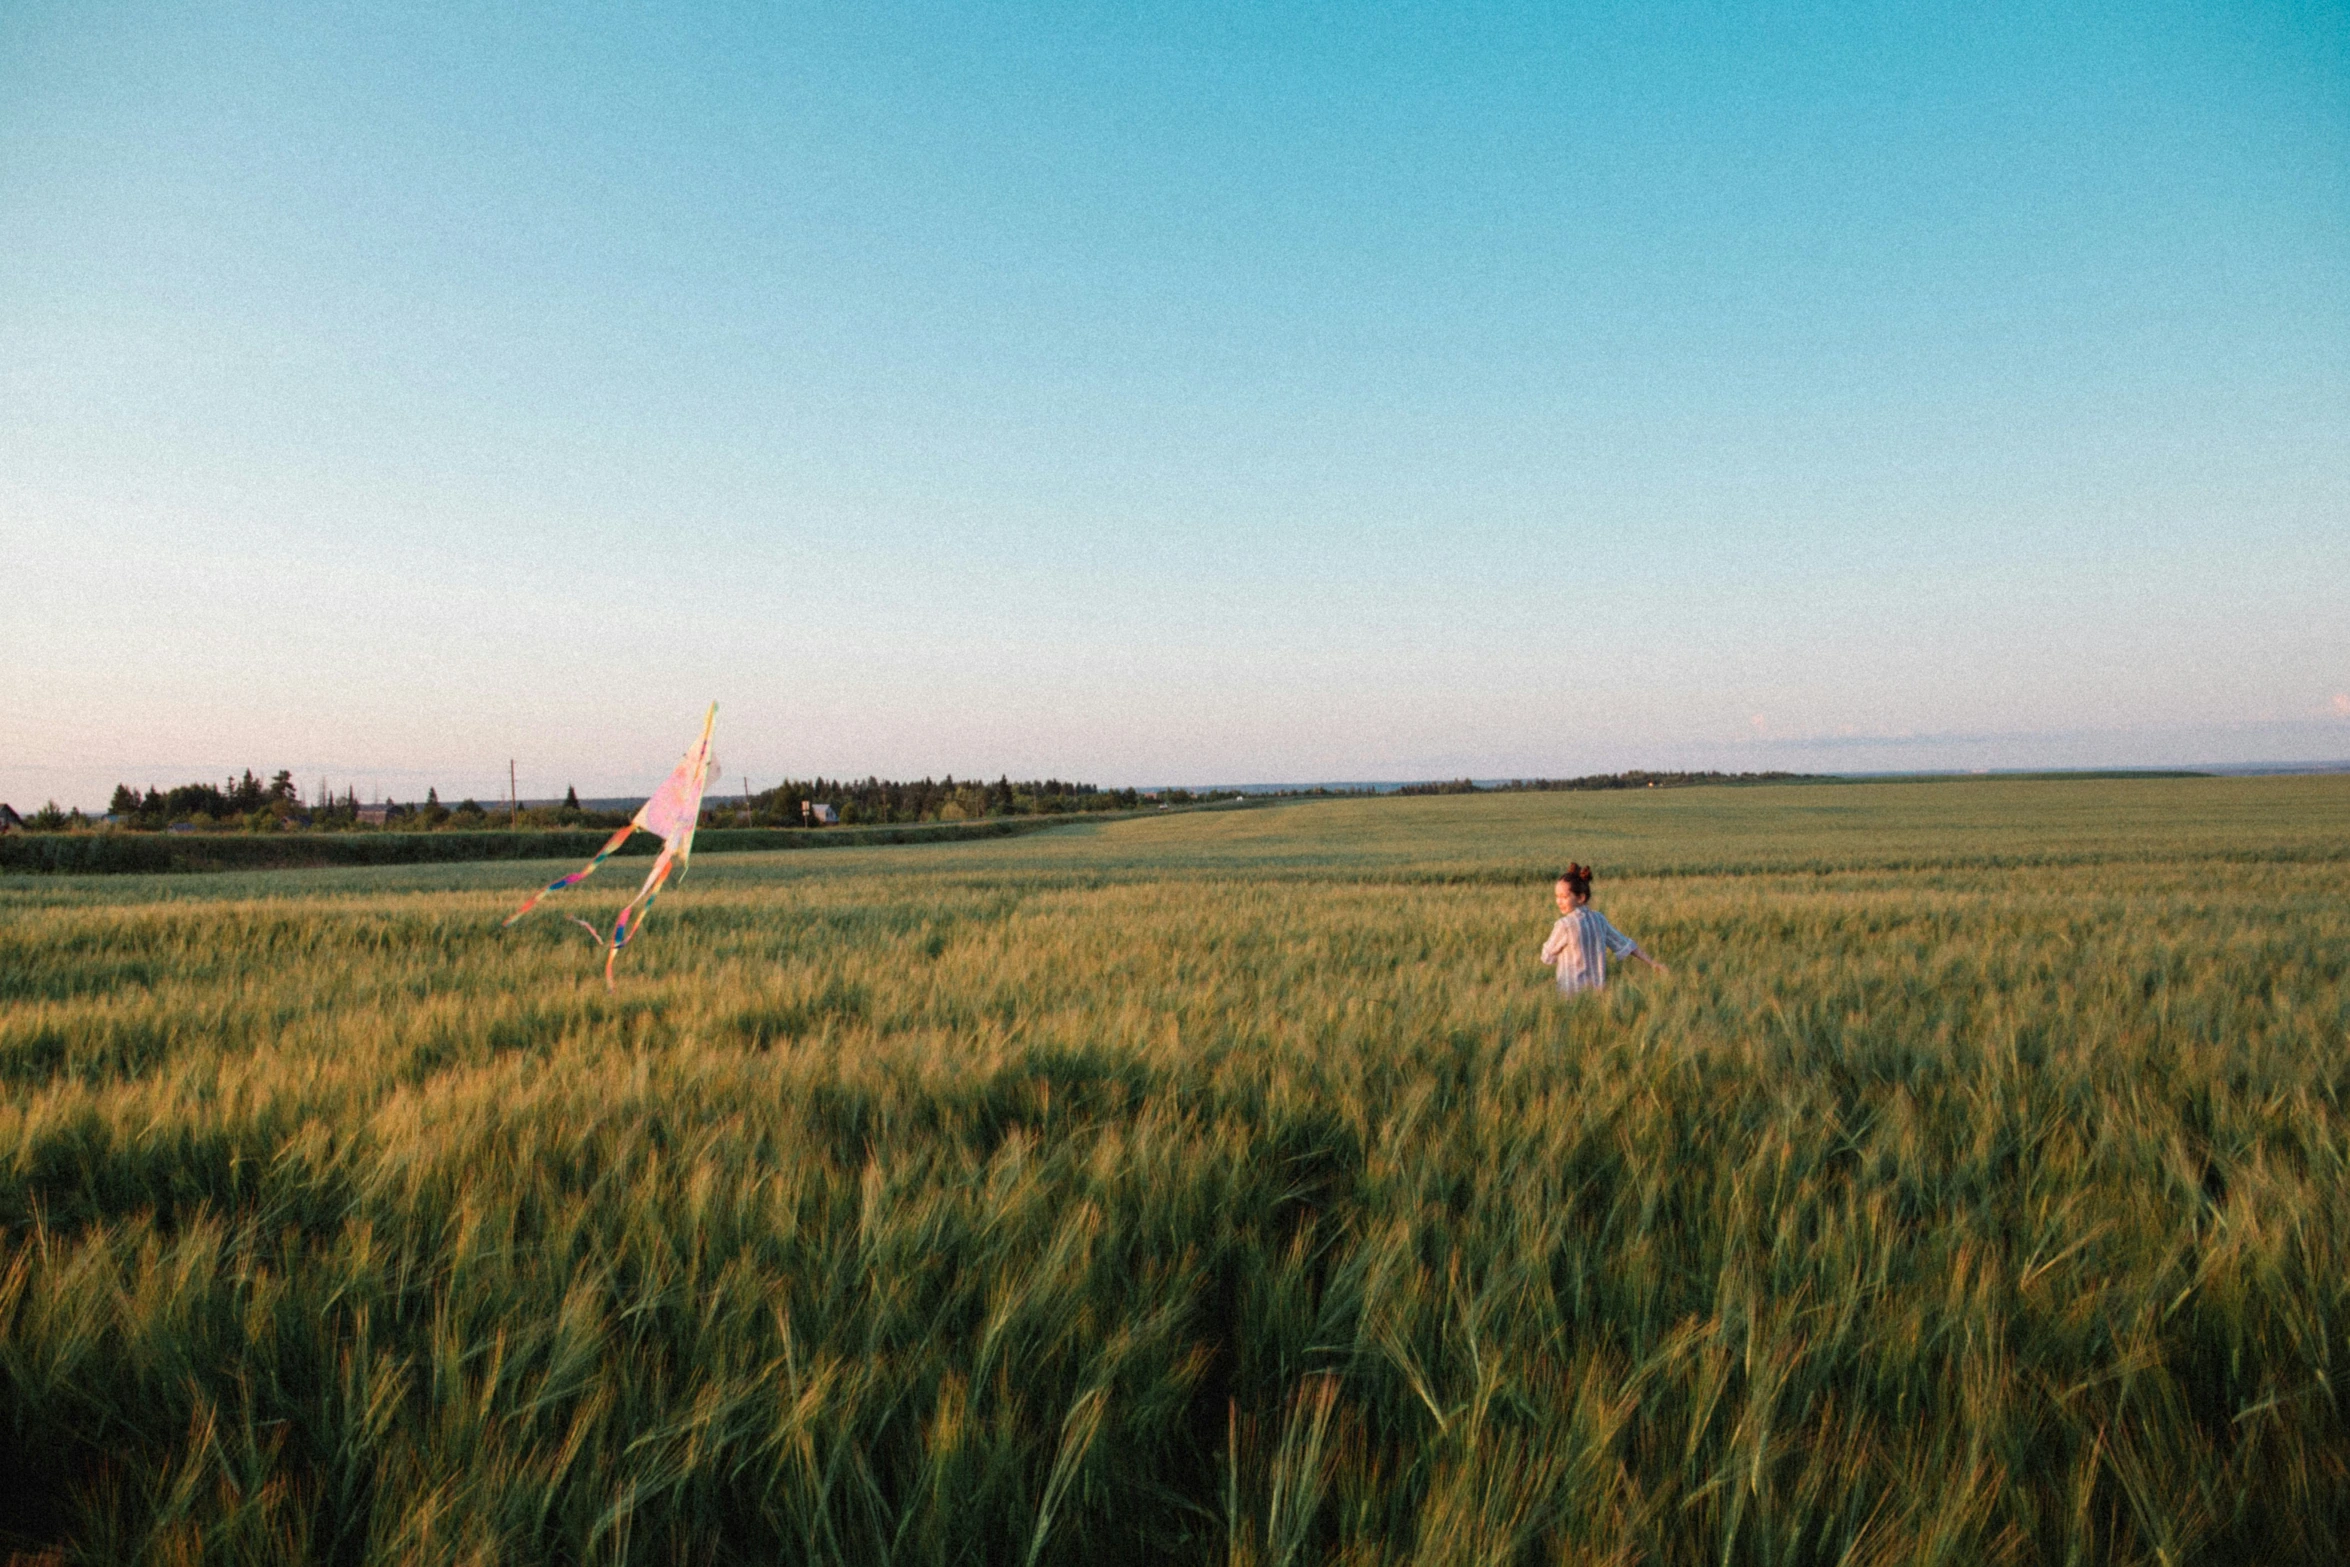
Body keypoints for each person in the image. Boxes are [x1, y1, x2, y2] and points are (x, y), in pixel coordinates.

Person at [1540, 862, 1666, 996]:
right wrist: (1653, 963)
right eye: (1557, 896)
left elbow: (1547, 957)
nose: (1559, 901)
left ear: (1581, 897)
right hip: (1598, 995)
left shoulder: (1564, 925)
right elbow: (1625, 944)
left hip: (1570, 995)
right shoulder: (1599, 919)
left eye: (1564, 897)